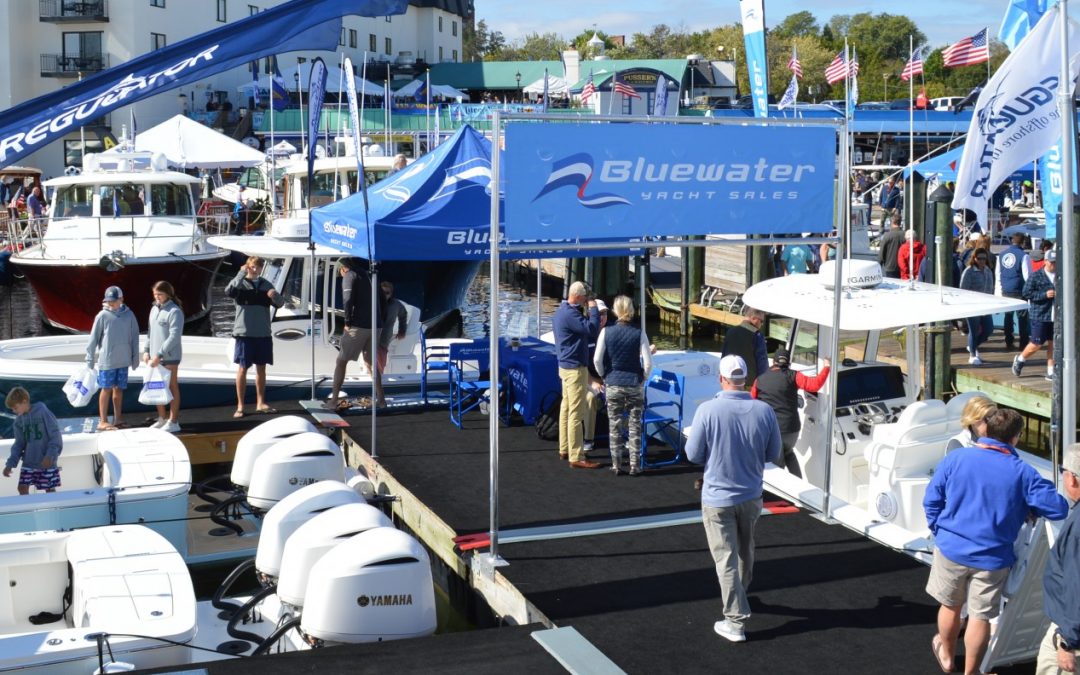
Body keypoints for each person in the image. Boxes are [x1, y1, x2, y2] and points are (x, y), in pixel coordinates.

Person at [924, 408, 1068, 675]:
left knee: (950, 606)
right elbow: (1058, 509)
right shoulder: (1023, 472)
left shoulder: (956, 458)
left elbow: (931, 500)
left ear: (984, 429)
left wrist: (940, 531)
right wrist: (1029, 506)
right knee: (980, 617)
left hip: (951, 549)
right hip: (992, 557)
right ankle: (970, 672)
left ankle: (946, 655)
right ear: (1016, 438)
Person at [686, 354, 781, 643]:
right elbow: (773, 453)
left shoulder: (708, 410)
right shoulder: (764, 411)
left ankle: (735, 620)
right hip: (751, 494)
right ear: (746, 380)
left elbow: (693, 454)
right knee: (745, 551)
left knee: (725, 557)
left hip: (718, 497)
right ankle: (739, 595)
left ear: (721, 379)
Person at [593, 295, 651, 476]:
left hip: (613, 382)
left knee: (614, 424)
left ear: (615, 311)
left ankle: (617, 464)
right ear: (631, 310)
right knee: (635, 425)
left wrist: (604, 375)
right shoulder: (639, 332)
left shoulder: (606, 332)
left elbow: (597, 359)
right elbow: (648, 363)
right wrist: (643, 377)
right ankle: (635, 465)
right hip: (634, 382)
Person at [750, 349, 830, 477]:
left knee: (777, 466)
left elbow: (752, 403)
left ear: (774, 362)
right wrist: (826, 367)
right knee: (788, 453)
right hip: (792, 429)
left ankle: (781, 494)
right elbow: (815, 385)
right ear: (789, 363)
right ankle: (799, 483)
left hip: (772, 431)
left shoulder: (759, 380)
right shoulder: (794, 376)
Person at [1037, 442, 1080, 675]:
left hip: (1071, 633)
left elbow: (1077, 589)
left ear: (1072, 479)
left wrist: (1067, 642)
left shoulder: (1077, 530)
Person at [225, 256, 284, 417]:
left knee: (261, 369)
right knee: (242, 369)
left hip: (263, 334)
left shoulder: (266, 285)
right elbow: (229, 291)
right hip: (244, 334)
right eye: (252, 266)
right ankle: (240, 406)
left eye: (258, 267)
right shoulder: (239, 282)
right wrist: (240, 273)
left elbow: (280, 303)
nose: (255, 269)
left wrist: (274, 295)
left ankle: (260, 403)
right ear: (247, 267)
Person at [553, 281, 601, 469]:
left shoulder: (562, 311)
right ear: (579, 297)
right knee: (576, 412)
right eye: (586, 297)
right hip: (574, 369)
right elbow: (591, 329)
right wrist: (593, 308)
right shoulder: (571, 314)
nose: (587, 300)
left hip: (565, 366)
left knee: (566, 407)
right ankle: (576, 455)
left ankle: (564, 447)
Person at [328, 258, 386, 410]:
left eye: (340, 273)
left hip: (359, 326)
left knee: (341, 361)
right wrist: (381, 321)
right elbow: (383, 300)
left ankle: (333, 401)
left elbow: (347, 300)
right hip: (377, 325)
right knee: (371, 363)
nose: (341, 276)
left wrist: (347, 322)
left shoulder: (349, 275)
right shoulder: (370, 274)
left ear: (343, 268)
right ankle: (381, 400)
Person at [85, 286, 140, 431]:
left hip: (123, 360)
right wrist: (89, 358)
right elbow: (93, 339)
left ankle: (118, 419)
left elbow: (134, 337)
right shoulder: (102, 316)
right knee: (106, 389)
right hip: (107, 361)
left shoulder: (129, 315)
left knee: (119, 389)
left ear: (121, 299)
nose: (111, 304)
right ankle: (103, 421)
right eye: (109, 301)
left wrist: (135, 358)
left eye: (114, 301)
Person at [3, 387, 61, 495]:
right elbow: (18, 444)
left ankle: (54, 511)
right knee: (22, 488)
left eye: (15, 408)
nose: (14, 411)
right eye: (12, 409)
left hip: (46, 461)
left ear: (24, 401)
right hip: (28, 462)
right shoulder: (18, 422)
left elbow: (55, 436)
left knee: (49, 489)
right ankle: (30, 511)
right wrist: (10, 464)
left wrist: (50, 455)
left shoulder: (42, 411)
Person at [143, 280, 183, 433]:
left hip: (169, 357)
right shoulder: (154, 309)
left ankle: (173, 421)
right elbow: (150, 332)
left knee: (172, 387)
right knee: (157, 386)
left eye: (160, 294)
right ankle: (162, 418)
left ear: (168, 294)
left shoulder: (175, 311)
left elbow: (174, 337)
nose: (157, 297)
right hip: (154, 357)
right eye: (155, 294)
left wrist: (159, 354)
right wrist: (146, 350)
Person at [1012, 249, 1056, 380]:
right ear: (1046, 261)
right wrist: (1044, 295)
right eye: (1051, 262)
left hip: (1056, 314)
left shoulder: (1061, 276)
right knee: (1036, 343)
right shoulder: (1036, 276)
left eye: (1056, 262)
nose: (1054, 265)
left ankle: (1050, 371)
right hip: (1040, 314)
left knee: (1053, 343)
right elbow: (1026, 293)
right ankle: (1020, 360)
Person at [996, 233, 1032, 351]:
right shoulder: (1023, 256)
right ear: (1022, 243)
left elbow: (998, 273)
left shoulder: (1001, 255)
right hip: (1019, 290)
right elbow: (1027, 276)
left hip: (1006, 289)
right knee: (1022, 318)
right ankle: (1023, 343)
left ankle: (1008, 341)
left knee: (1008, 317)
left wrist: (999, 290)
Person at [959, 248, 994, 366]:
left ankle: (972, 346)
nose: (982, 261)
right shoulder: (969, 271)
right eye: (979, 258)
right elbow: (963, 289)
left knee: (988, 329)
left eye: (984, 258)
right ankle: (972, 355)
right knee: (973, 331)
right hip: (973, 306)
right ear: (974, 258)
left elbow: (990, 288)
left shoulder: (988, 271)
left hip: (986, 305)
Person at [583, 299, 609, 455]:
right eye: (598, 314)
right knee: (591, 398)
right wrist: (593, 383)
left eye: (604, 313)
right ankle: (588, 439)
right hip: (587, 379)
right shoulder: (584, 336)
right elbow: (580, 367)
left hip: (607, 379)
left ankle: (624, 435)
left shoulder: (610, 333)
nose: (601, 317)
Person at [721, 306, 768, 388]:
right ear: (754, 318)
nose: (762, 324)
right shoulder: (757, 335)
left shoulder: (730, 331)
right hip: (749, 384)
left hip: (729, 382)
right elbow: (762, 364)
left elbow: (723, 358)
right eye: (761, 321)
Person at [376, 279, 409, 393]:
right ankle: (376, 384)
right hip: (370, 336)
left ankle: (378, 386)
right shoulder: (373, 302)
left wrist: (402, 330)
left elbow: (404, 314)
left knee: (380, 361)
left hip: (384, 338)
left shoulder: (396, 304)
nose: (384, 295)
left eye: (387, 293)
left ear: (391, 293)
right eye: (382, 292)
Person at [878, 214, 905, 279]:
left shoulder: (887, 235)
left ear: (892, 222)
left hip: (890, 267)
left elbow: (881, 254)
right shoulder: (905, 234)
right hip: (903, 266)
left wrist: (878, 267)